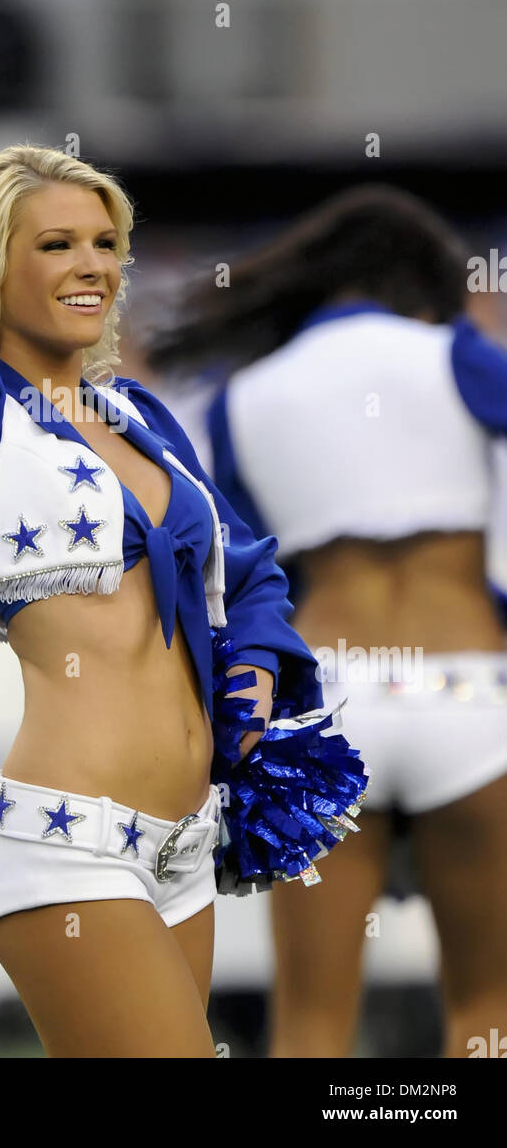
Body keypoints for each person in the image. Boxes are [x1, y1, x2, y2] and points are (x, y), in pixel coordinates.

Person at [0, 0, 364, 1059]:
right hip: (66, 845)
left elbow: (251, 566)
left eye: (107, 242)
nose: (94, 265)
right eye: (57, 244)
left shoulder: (140, 418)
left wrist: (256, 680)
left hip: (185, 846)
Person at [145, 184, 507, 1058]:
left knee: (309, 1021)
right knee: (488, 1009)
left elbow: (237, 575)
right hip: (469, 696)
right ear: (421, 286)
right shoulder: (460, 354)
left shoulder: (242, 397)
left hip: (329, 706)